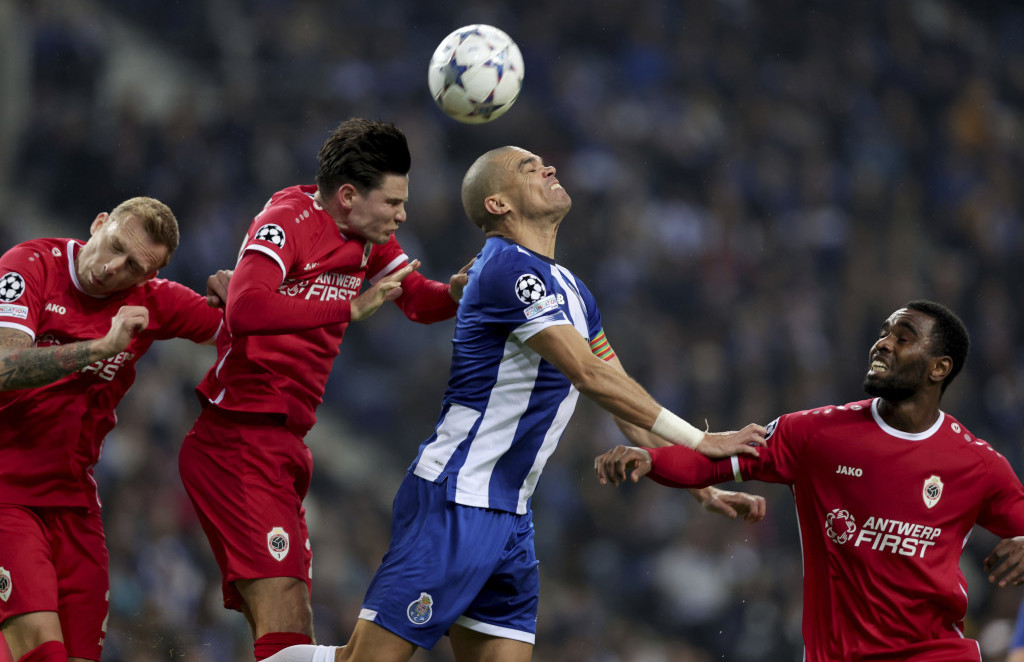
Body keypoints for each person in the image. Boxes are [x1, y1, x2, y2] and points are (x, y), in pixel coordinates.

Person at [262, 145, 767, 662]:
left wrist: (697, 483)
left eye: (545, 162)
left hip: (511, 515)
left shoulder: (572, 288)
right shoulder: (505, 269)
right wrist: (703, 440)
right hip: (456, 499)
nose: (548, 167)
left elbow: (621, 398)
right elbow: (587, 374)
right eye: (529, 167)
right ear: (500, 205)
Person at [177, 118, 475, 661]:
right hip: (237, 438)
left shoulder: (367, 236)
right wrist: (347, 306)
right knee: (288, 613)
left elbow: (415, 300)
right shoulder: (286, 220)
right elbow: (244, 307)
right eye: (393, 203)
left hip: (284, 442)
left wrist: (458, 292)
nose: (402, 215)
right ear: (347, 196)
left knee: (286, 629)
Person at [595, 300, 1024, 661]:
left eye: (904, 336)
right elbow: (713, 464)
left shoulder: (977, 464)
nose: (883, 343)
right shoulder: (816, 435)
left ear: (939, 368)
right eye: (884, 332)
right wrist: (649, 458)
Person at [0, 197, 227, 662]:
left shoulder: (151, 302)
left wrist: (247, 291)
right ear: (99, 223)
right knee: (42, 653)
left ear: (149, 277)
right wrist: (97, 348)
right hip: (6, 492)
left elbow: (244, 328)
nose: (113, 268)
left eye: (133, 267)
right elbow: (3, 365)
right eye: (115, 246)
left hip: (74, 503)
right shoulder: (31, 266)